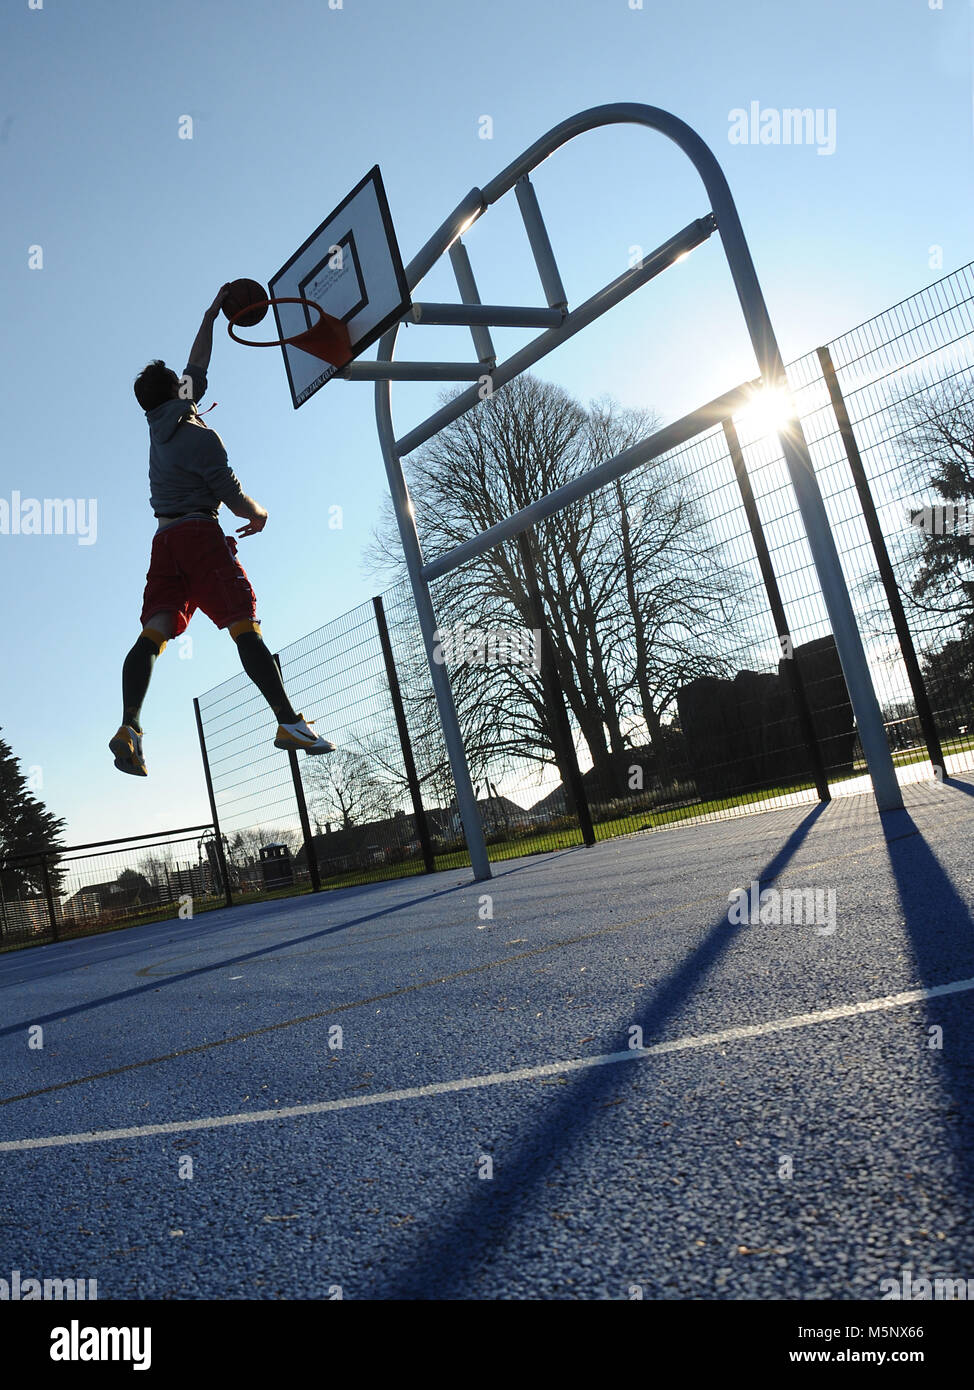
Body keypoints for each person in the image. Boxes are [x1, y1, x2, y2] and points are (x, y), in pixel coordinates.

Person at [110, 285, 334, 776]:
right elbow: (233, 498)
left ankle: (130, 726)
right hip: (199, 538)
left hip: (164, 541)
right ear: (177, 393)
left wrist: (212, 313)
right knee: (243, 624)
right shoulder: (199, 438)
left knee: (154, 633)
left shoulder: (157, 422)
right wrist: (259, 513)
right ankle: (288, 721)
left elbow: (197, 365)